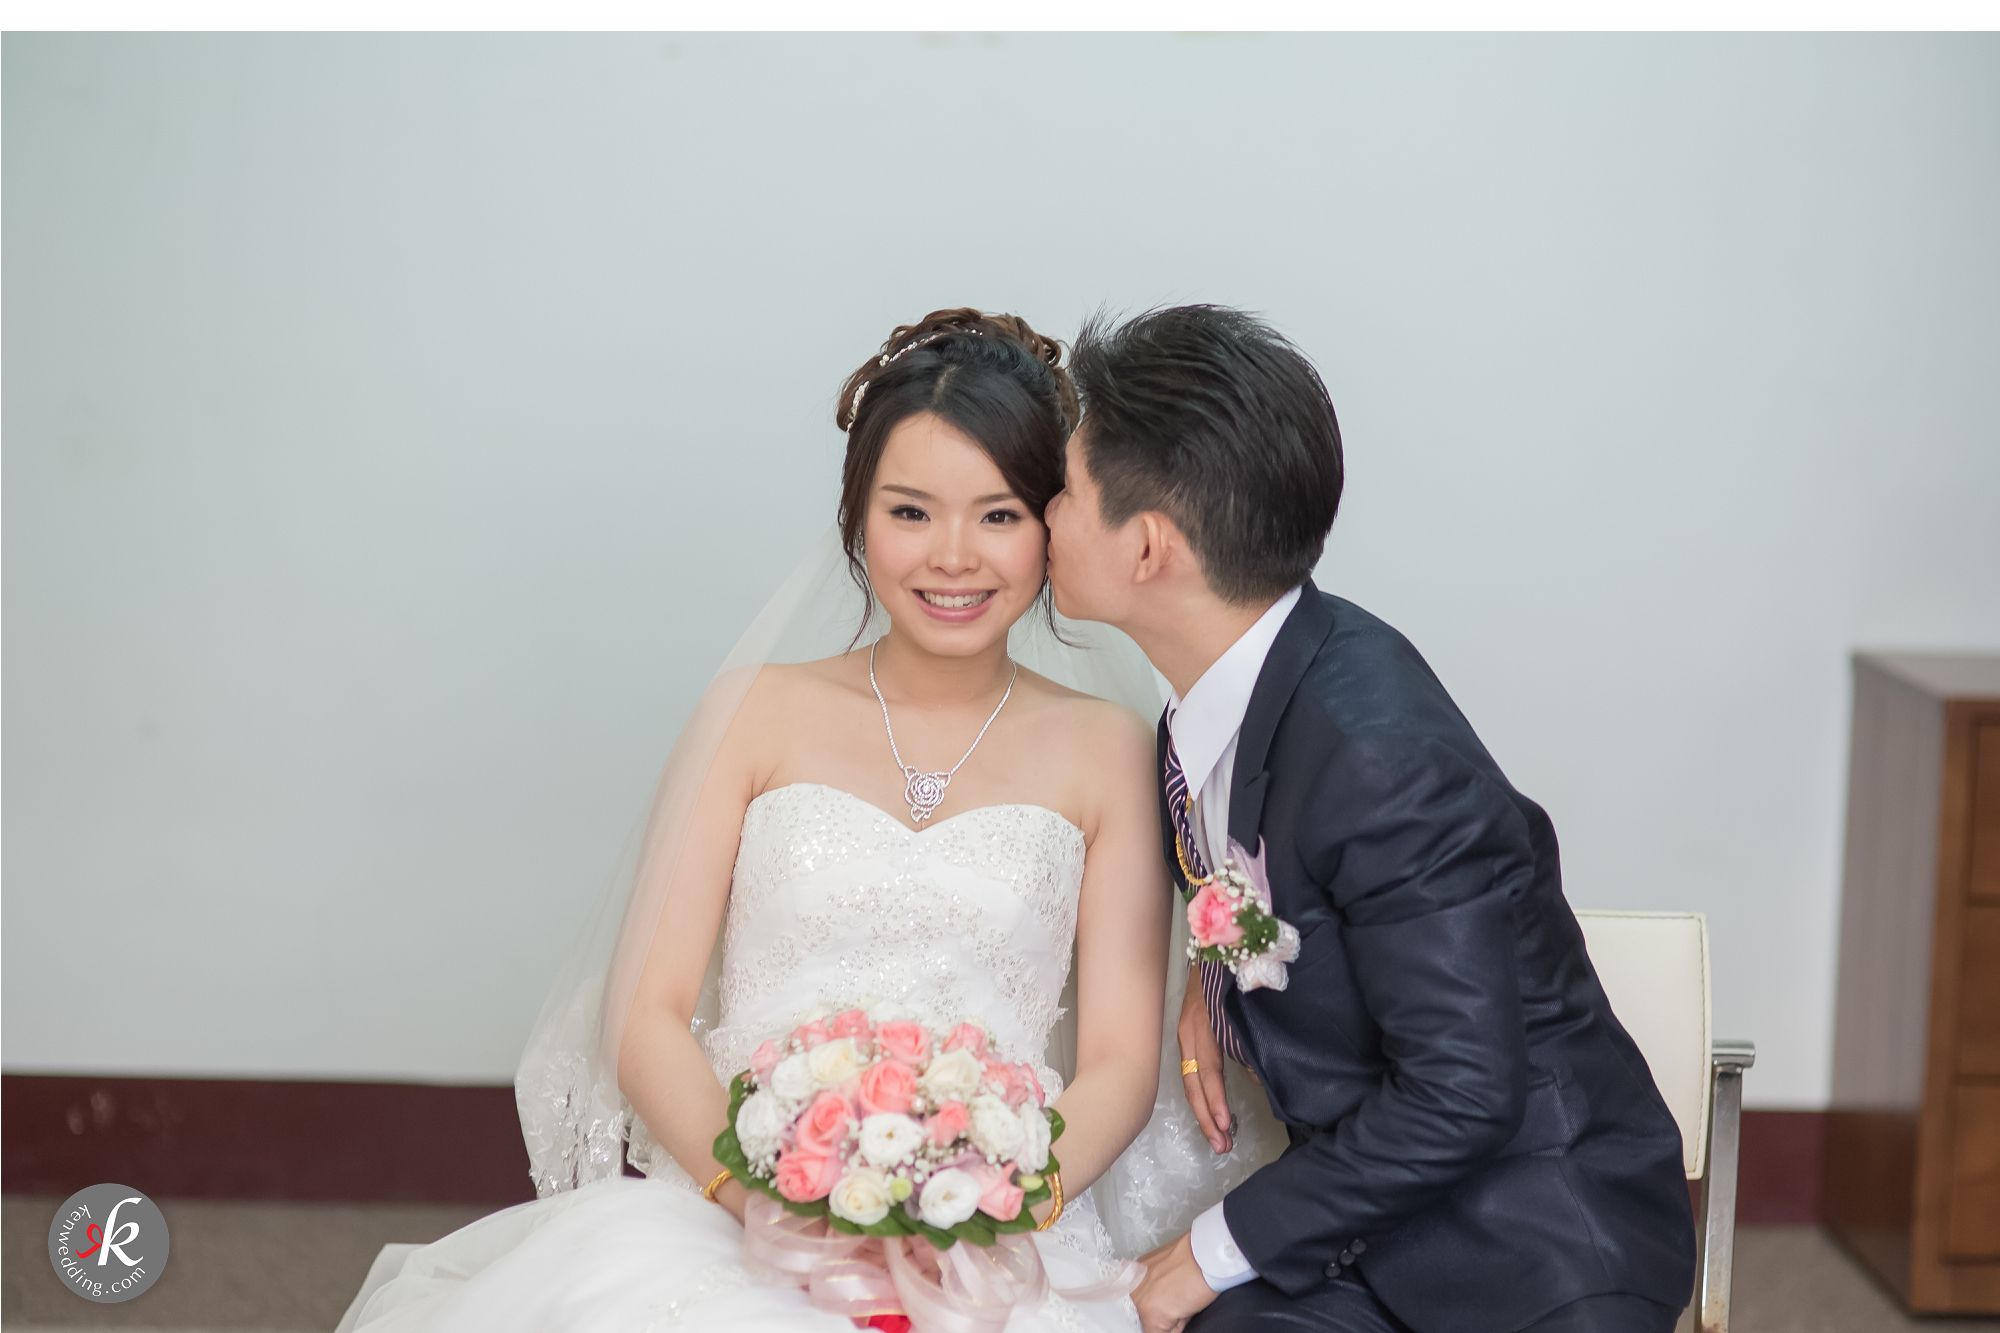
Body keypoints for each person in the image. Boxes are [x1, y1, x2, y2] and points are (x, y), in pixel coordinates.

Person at [334, 309, 1208, 1332]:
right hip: (739, 1210)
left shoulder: (1109, 746)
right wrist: (769, 1205)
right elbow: (646, 1010)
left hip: (996, 1229)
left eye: (999, 515)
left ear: (1051, 525)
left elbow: (1118, 1063)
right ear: (856, 516)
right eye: (911, 511)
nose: (953, 557)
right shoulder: (755, 709)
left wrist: (984, 1208)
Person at [1043, 305, 1698, 1333]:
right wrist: (1214, 977)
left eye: (1065, 491)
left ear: (1148, 546)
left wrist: (1209, 1253)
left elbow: (1463, 1091)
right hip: (1367, 1231)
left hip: (1533, 1252)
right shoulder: (1212, 703)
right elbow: (1284, 882)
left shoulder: (1375, 749)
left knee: (1175, 1299)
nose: (1040, 512)